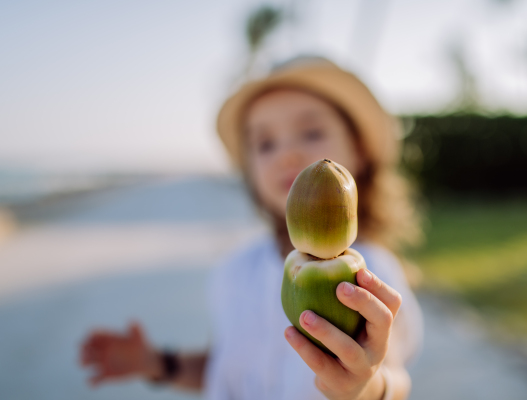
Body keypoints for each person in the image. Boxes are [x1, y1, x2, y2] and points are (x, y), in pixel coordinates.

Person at [80, 56, 423, 400]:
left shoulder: (371, 274)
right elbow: (227, 366)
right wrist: (159, 363)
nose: (287, 153)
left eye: (312, 132)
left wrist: (367, 387)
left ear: (359, 152)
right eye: (265, 143)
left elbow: (393, 377)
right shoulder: (233, 270)